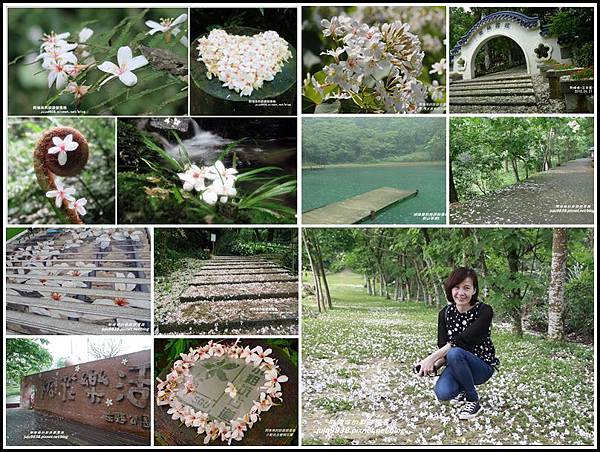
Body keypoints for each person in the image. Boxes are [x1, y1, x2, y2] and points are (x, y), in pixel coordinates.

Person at [415, 267, 499, 420]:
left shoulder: (484, 311)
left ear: (474, 290)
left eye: (466, 288)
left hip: (482, 367)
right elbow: (443, 348)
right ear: (450, 289)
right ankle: (463, 387)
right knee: (443, 392)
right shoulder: (445, 314)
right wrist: (433, 366)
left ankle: (473, 400)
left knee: (455, 351)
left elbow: (461, 342)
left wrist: (431, 358)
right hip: (456, 363)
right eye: (457, 287)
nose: (461, 293)